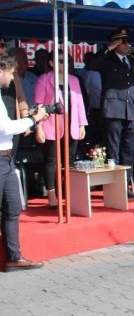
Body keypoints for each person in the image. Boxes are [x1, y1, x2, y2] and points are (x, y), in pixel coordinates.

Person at [0, 54, 47, 271]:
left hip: (7, 159)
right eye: (10, 73)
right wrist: (33, 119)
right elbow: (7, 128)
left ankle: (13, 256)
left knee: (13, 208)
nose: (12, 79)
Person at [34, 51, 87, 209]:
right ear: (51, 63)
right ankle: (51, 193)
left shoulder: (74, 80)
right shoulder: (44, 79)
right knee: (51, 161)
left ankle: (66, 191)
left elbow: (79, 104)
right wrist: (38, 127)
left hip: (72, 123)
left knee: (69, 161)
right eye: (60, 60)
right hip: (51, 123)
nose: (64, 63)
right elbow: (38, 105)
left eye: (66, 60)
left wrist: (82, 124)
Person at [99, 28, 134, 199]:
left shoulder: (133, 62)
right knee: (113, 151)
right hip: (113, 111)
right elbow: (93, 64)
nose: (126, 45)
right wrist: (109, 48)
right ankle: (113, 187)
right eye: (122, 42)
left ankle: (125, 186)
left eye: (127, 41)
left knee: (128, 150)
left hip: (130, 111)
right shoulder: (106, 60)